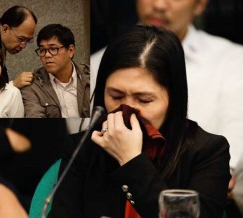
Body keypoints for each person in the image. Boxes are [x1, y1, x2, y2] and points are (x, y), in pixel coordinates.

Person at [47, 25, 231, 218]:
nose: (127, 110)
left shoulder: (208, 152)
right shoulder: (82, 148)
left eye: (144, 100)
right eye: (116, 96)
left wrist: (131, 160)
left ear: (173, 99)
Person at [91, 0, 243, 211]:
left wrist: (218, 173)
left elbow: (235, 128)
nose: (159, 5)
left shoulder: (233, 60)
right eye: (116, 95)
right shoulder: (95, 63)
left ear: (200, 5)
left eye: (144, 99)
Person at [21, 24, 90, 118]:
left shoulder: (91, 76)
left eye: (53, 49)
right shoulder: (32, 86)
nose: (47, 55)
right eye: (42, 50)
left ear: (70, 51)